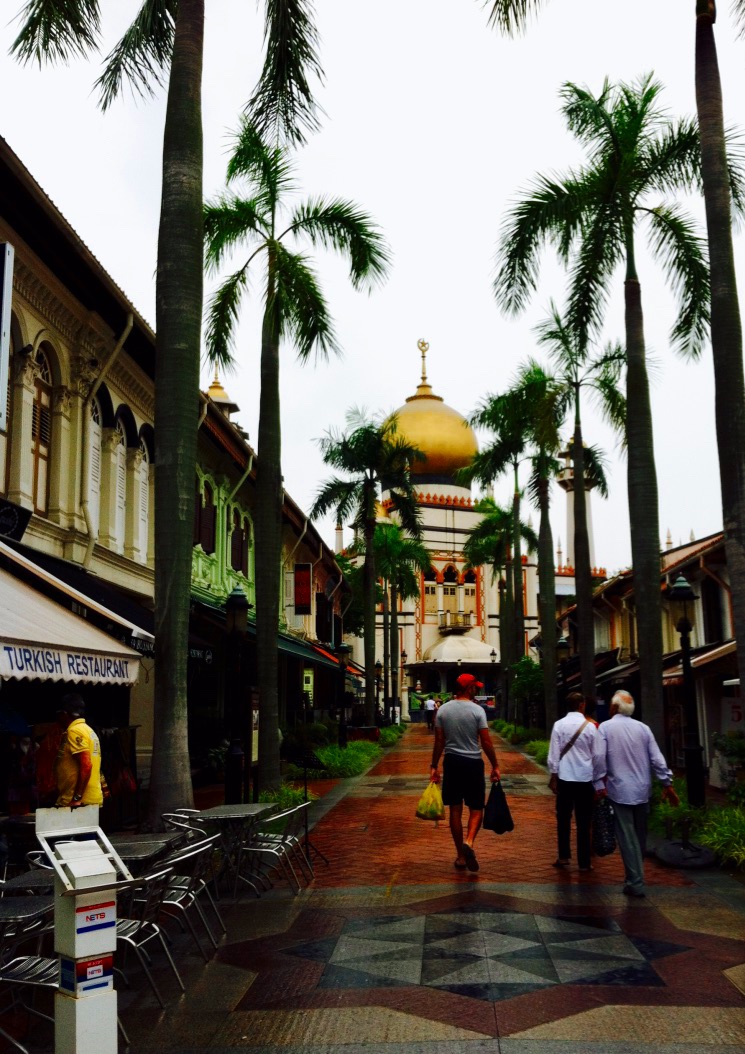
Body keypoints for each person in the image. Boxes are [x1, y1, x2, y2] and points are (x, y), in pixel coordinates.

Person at [594, 689, 679, 897]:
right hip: (643, 790)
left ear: (613, 707)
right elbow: (657, 759)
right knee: (640, 837)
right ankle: (634, 876)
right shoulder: (643, 728)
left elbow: (598, 758)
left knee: (627, 837)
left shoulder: (605, 728)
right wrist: (667, 783)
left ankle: (636, 882)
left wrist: (598, 784)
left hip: (619, 790)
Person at [429, 672, 500, 872]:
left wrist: (434, 765)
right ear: (468, 688)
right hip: (473, 763)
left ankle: (460, 856)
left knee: (455, 809)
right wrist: (495, 764)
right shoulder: (477, 711)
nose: (476, 689)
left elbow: (439, 741)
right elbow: (485, 741)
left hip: (451, 763)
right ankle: (469, 842)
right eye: (475, 687)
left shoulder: (443, 710)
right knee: (477, 808)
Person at [547, 691, 600, 872]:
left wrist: (553, 775)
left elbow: (553, 753)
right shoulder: (591, 727)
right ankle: (584, 862)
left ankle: (563, 856)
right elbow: (597, 755)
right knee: (584, 821)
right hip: (585, 778)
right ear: (582, 705)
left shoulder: (559, 725)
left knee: (563, 818)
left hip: (565, 778)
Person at [54, 693, 104, 808]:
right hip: (87, 800)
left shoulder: (74, 731)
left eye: (59, 715)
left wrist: (77, 798)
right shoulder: (88, 730)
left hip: (77, 803)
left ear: (64, 714)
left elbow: (86, 764)